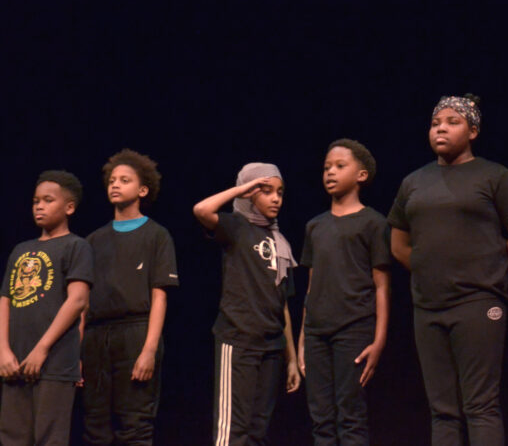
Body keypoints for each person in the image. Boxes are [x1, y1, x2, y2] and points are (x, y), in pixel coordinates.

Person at [389, 94, 508, 445]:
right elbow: (398, 243)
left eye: (452, 122)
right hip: (428, 304)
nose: (441, 128)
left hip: (478, 301)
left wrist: (490, 267)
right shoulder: (414, 182)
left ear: (473, 131)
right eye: (436, 123)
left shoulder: (494, 175)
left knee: (480, 405)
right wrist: (424, 269)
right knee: (442, 409)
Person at [193, 163, 301, 446]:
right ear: (250, 194)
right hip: (239, 341)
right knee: (232, 433)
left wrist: (291, 359)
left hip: (272, 347)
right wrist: (241, 190)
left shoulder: (281, 243)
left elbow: (283, 306)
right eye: (266, 191)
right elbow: (202, 210)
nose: (276, 198)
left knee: (257, 433)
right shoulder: (236, 227)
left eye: (279, 192)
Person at [82, 149, 179, 445]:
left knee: (135, 424)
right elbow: (82, 301)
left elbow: (159, 296)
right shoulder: (93, 240)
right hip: (97, 336)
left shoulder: (157, 235)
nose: (115, 184)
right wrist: (77, 350)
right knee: (94, 424)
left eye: (125, 180)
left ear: (143, 189)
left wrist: (149, 349)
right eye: (112, 180)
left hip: (136, 331)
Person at [297, 139, 390, 445]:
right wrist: (302, 339)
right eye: (326, 168)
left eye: (339, 166)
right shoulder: (315, 226)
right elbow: (312, 285)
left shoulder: (373, 223)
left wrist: (378, 340)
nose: (330, 173)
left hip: (353, 328)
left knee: (350, 417)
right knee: (321, 418)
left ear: (361, 175)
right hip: (316, 332)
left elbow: (381, 285)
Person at [0, 170, 93, 445]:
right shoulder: (20, 250)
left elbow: (77, 300)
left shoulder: (77, 246)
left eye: (48, 200)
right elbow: (6, 298)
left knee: (49, 438)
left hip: (53, 364)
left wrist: (42, 349)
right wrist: (3, 349)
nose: (39, 206)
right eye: (35, 201)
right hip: (14, 362)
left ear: (69, 207)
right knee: (12, 438)